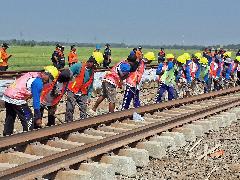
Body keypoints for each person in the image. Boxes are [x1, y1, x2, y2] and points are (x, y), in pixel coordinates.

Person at [2, 66, 59, 136]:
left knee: (10, 116)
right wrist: (38, 117)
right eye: (50, 79)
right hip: (16, 98)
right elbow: (36, 101)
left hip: (8, 94)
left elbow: (25, 85)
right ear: (46, 74)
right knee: (28, 117)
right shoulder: (38, 82)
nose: (48, 81)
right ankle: (28, 137)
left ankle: (7, 135)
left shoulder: (34, 74)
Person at [65, 55, 99, 122]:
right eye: (94, 65)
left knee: (83, 108)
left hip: (83, 92)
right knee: (70, 108)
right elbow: (67, 74)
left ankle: (82, 123)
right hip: (72, 90)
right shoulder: (78, 66)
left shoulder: (92, 72)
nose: (95, 67)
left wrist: (89, 96)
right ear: (90, 62)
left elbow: (90, 85)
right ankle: (68, 123)